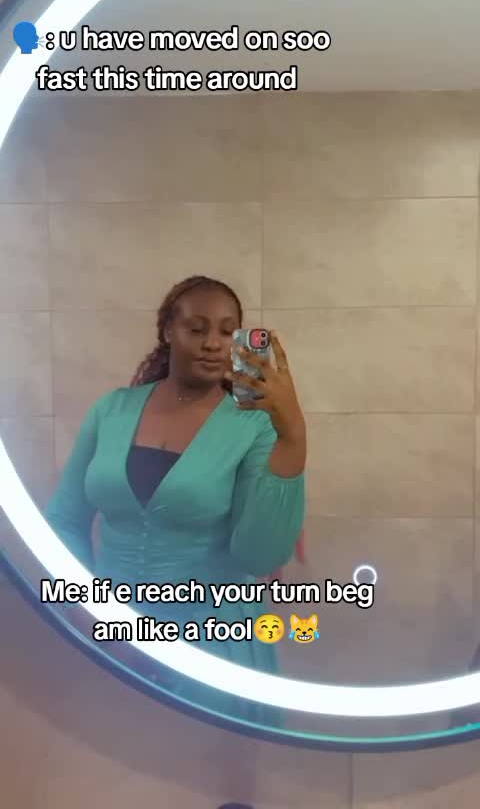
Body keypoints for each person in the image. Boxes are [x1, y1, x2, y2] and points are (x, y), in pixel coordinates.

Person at [45, 275, 306, 724]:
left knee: (201, 764)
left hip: (214, 649)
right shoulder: (112, 410)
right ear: (168, 330)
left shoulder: (254, 425)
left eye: (227, 331)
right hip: (112, 640)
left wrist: (293, 438)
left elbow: (260, 555)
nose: (213, 343)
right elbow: (65, 520)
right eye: (197, 328)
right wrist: (87, 609)